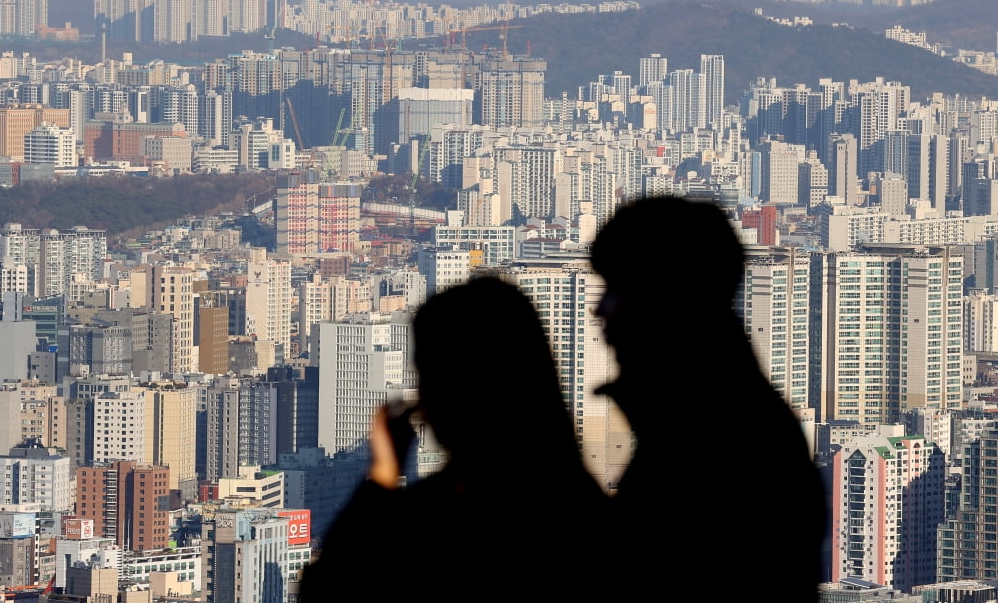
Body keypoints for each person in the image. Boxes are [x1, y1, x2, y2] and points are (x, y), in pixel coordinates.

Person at [300, 277, 604, 598]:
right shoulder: (581, 508)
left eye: (430, 379)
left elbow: (328, 586)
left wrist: (381, 476)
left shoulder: (434, 521)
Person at [591, 197, 826, 597]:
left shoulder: (719, 445)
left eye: (617, 287)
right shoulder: (700, 420)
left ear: (666, 299)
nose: (600, 310)